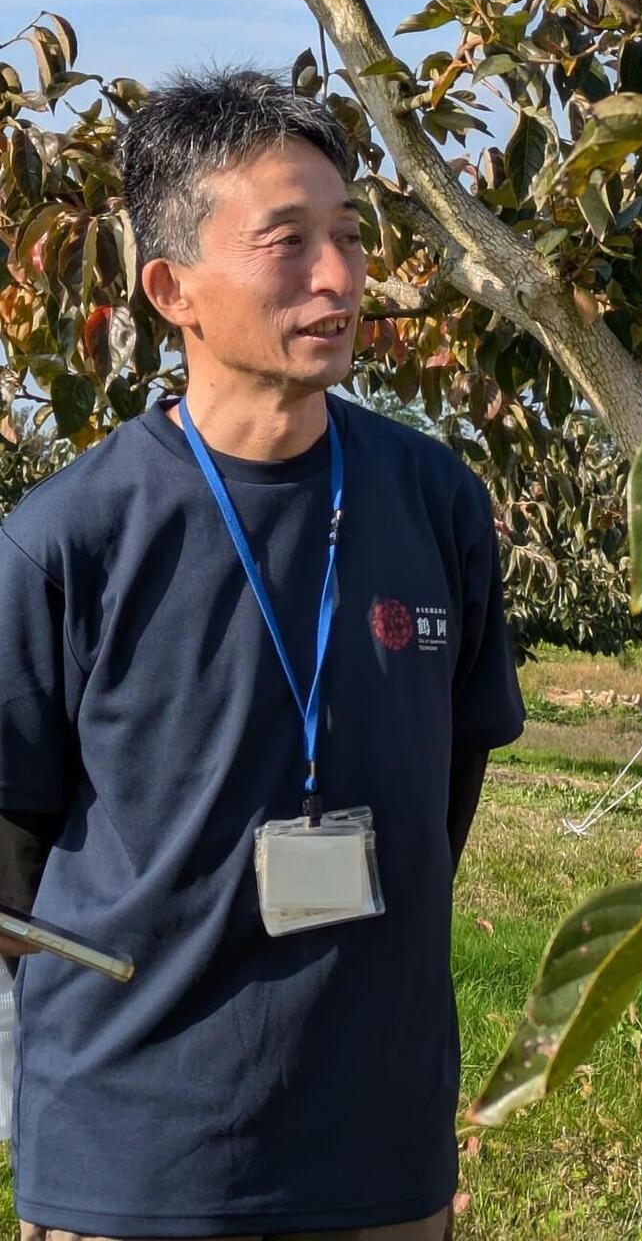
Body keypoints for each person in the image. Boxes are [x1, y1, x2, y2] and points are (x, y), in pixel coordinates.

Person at [0, 67, 526, 1239]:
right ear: (171, 288)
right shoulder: (67, 540)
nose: (339, 277)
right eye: (286, 243)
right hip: (138, 1158)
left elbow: (448, 779)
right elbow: (12, 856)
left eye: (346, 236)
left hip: (378, 1144)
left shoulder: (435, 501)